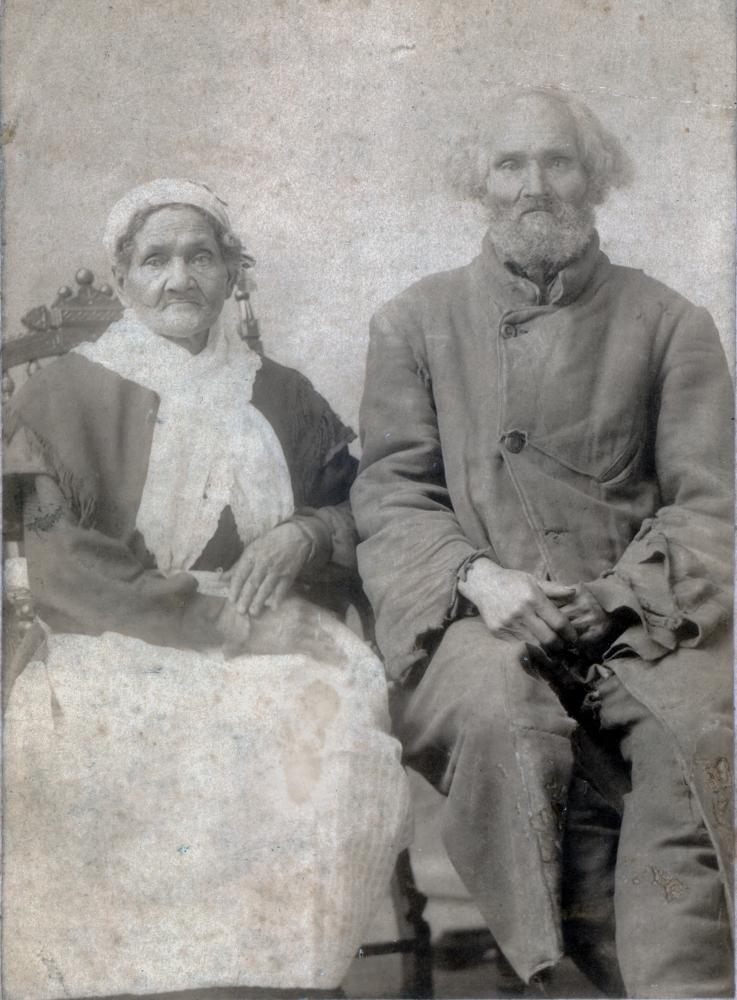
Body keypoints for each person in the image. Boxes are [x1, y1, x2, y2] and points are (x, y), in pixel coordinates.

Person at [351, 90, 733, 998]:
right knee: (504, 719)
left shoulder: (669, 322)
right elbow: (391, 493)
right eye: (510, 164)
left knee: (695, 738)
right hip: (473, 622)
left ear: (594, 177)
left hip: (642, 618)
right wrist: (478, 579)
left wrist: (608, 601)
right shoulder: (414, 321)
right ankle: (555, 972)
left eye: (557, 162)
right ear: (477, 183)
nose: (535, 186)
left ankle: (679, 987)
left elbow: (710, 510)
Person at [3, 179, 410, 1000]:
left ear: (233, 274)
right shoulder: (64, 393)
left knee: (315, 726)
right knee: (119, 737)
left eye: (201, 256)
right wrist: (216, 625)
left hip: (280, 626)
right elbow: (65, 569)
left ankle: (281, 983)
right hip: (114, 634)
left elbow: (365, 508)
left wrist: (308, 533)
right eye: (155, 259)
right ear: (122, 279)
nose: (178, 277)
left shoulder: (284, 393)